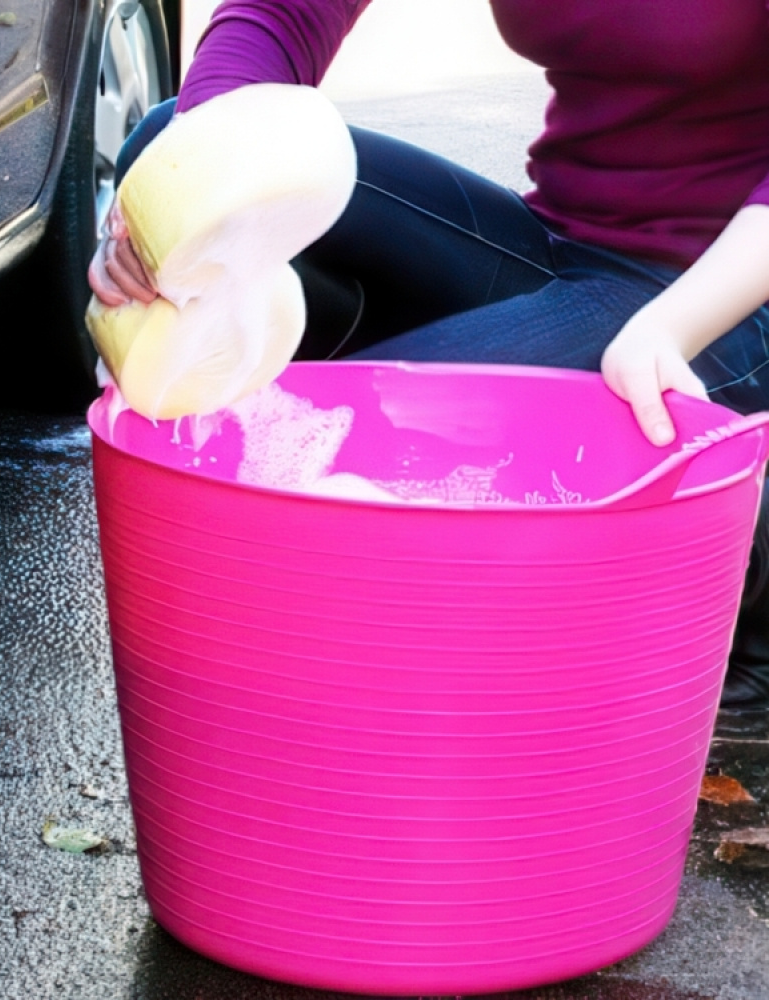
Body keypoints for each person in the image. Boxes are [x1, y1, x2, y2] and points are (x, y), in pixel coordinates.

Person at [88, 0, 769, 710]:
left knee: (365, 448)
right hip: (557, 248)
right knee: (174, 147)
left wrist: (672, 327)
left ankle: (748, 575)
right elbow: (285, 12)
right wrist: (182, 197)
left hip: (725, 294)